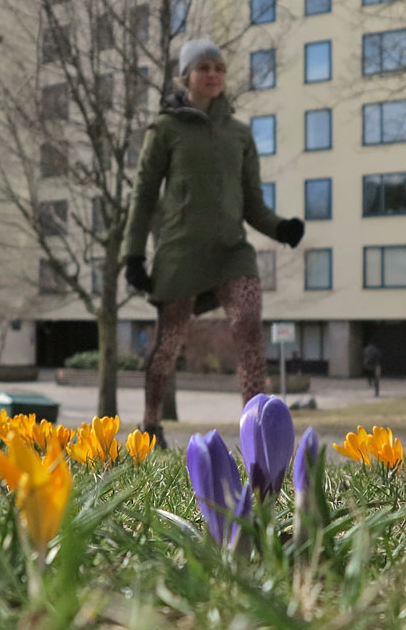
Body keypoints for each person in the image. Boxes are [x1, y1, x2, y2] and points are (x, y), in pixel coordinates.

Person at [122, 38, 304, 443]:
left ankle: (256, 429)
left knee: (249, 326)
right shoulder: (165, 128)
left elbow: (253, 203)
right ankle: (151, 424)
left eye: (219, 68)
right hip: (180, 251)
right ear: (186, 76)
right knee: (168, 344)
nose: (213, 75)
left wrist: (280, 228)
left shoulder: (239, 134)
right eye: (204, 68)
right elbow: (144, 193)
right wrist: (133, 254)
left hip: (231, 251)